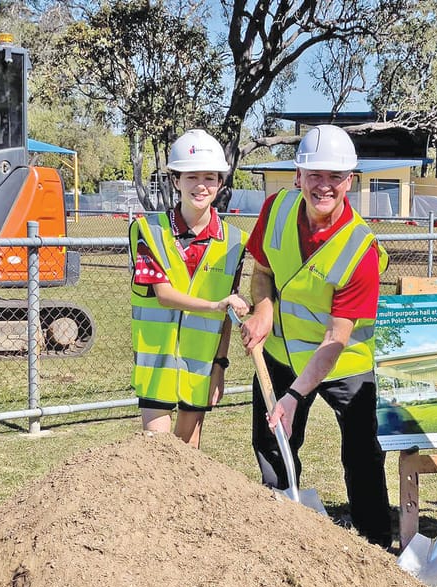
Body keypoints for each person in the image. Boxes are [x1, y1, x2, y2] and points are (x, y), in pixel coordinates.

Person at [238, 124, 393, 549]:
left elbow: (336, 337)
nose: (325, 186)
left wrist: (294, 395)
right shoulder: (277, 209)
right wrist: (263, 308)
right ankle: (282, 534)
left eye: (335, 177)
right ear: (298, 176)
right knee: (273, 445)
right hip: (280, 354)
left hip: (343, 363)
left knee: (362, 455)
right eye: (315, 175)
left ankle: (375, 545)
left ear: (349, 181)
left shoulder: (359, 249)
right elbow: (263, 272)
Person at [129, 129, 249, 448]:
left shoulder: (235, 242)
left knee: (188, 459)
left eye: (210, 177)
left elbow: (227, 318)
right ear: (175, 180)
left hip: (200, 366)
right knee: (156, 454)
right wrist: (215, 305)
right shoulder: (147, 232)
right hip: (156, 363)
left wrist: (220, 367)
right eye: (191, 176)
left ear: (220, 182)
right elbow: (163, 294)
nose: (201, 185)